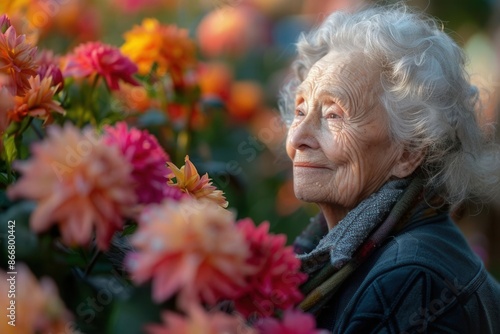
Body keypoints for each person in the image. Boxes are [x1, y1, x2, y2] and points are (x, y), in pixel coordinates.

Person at [281, 3, 500, 333]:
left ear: (408, 152)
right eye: (300, 111)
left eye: (333, 115)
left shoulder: (411, 283)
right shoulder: (345, 254)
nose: (298, 137)